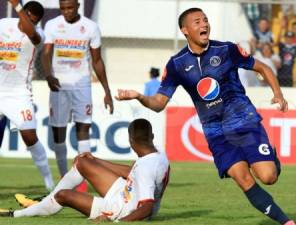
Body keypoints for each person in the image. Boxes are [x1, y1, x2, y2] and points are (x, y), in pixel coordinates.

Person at [115, 8, 296, 225]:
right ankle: (286, 222)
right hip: (215, 132)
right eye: (197, 22)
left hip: (243, 121)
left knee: (268, 177)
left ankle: (271, 159)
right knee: (243, 178)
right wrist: (140, 97)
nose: (204, 25)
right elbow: (159, 103)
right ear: (185, 30)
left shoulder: (227, 49)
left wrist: (278, 94)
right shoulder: (176, 64)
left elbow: (263, 68)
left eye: (206, 20)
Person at [0, 119, 170, 222]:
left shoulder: (147, 167)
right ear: (152, 137)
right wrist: (96, 160)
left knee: (63, 196)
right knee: (83, 162)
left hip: (122, 208)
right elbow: (133, 172)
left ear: (130, 140)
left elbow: (147, 207)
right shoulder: (157, 154)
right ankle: (46, 200)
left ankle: (18, 214)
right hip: (125, 192)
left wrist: (117, 222)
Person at [42, 0, 114, 184]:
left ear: (78, 6)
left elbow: (97, 61)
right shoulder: (52, 25)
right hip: (59, 85)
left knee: (83, 127)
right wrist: (48, 75)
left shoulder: (90, 27)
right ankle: (64, 175)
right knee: (58, 132)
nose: (66, 11)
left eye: (70, 7)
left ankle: (86, 175)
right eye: (63, 8)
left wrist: (107, 91)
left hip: (82, 85)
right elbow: (46, 53)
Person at [0, 0, 54, 191]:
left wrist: (17, 6)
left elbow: (30, 32)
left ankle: (48, 181)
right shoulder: (4, 25)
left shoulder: (38, 34)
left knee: (30, 136)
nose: (27, 23)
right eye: (26, 17)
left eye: (32, 20)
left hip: (18, 94)